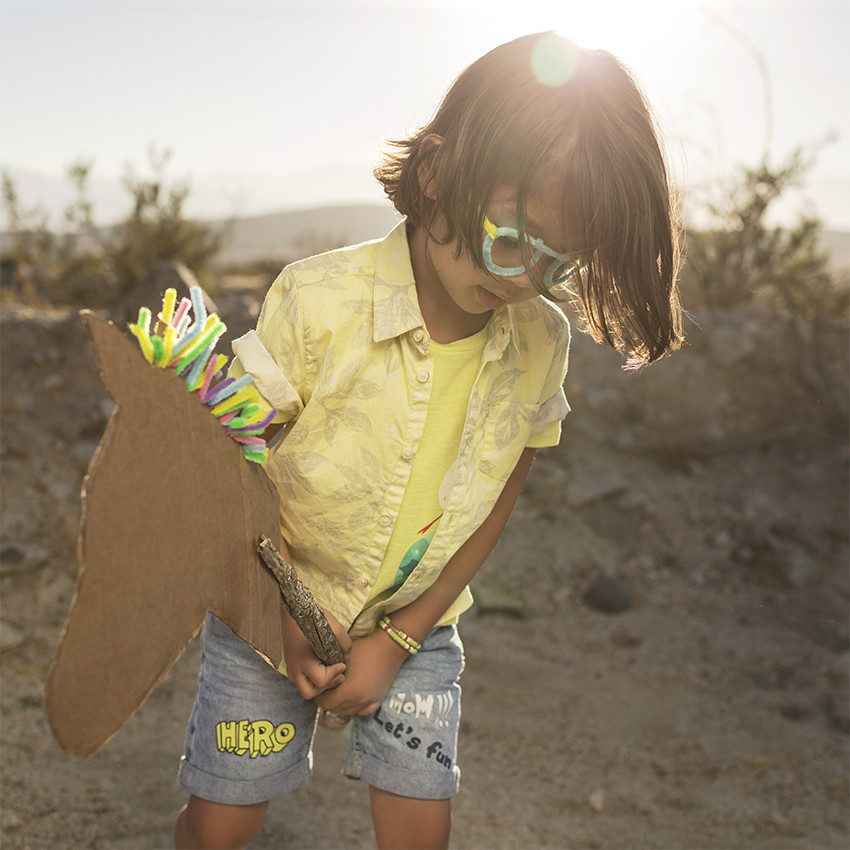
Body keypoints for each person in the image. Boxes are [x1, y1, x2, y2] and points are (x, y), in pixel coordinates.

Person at [174, 30, 682, 850]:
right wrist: (277, 611)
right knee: (221, 823)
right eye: (511, 239)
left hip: (419, 634)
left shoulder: (539, 340)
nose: (521, 279)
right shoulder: (318, 300)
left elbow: (499, 494)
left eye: (557, 264)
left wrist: (400, 637)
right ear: (439, 172)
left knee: (418, 827)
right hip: (265, 620)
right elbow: (234, 462)